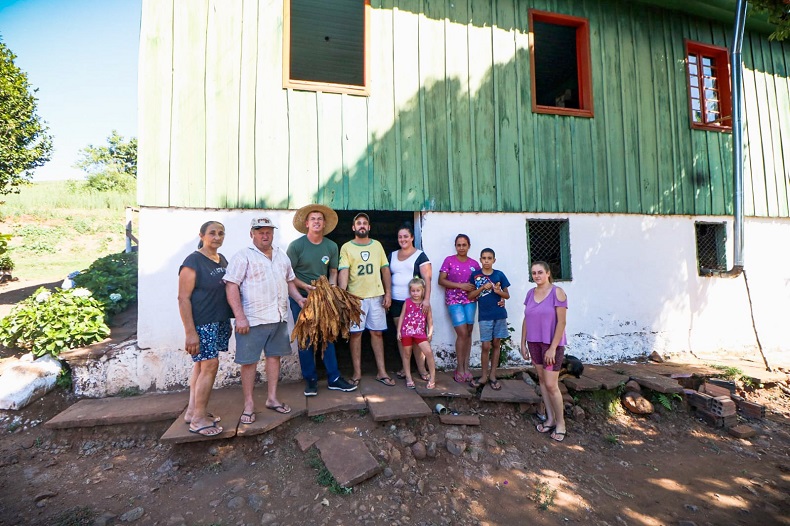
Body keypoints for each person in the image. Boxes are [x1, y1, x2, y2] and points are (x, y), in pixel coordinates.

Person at [224, 217, 305, 423]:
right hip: (252, 319)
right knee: (249, 362)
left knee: (274, 357)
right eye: (260, 232)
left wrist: (298, 298)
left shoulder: (281, 255)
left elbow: (289, 281)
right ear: (252, 234)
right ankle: (249, 404)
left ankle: (272, 398)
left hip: (278, 317)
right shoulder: (243, 256)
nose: (265, 235)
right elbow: (231, 285)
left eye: (269, 231)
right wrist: (240, 317)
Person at [287, 204, 358, 396]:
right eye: (313, 219)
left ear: (324, 223)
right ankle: (310, 380)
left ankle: (334, 378)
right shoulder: (296, 246)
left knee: (328, 335)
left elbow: (333, 271)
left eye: (320, 219)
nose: (316, 222)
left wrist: (331, 290)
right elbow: (288, 275)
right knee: (305, 338)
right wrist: (304, 288)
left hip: (323, 296)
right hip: (301, 297)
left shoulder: (331, 246)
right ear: (306, 223)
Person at [177, 221, 233, 436]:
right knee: (210, 365)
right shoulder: (193, 261)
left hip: (218, 320)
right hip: (202, 322)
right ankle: (199, 419)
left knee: (201, 366)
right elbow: (183, 298)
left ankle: (193, 411)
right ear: (201, 235)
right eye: (212, 233)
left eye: (221, 233)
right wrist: (190, 332)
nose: (217, 237)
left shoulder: (222, 259)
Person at [338, 212, 393, 386]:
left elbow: (385, 269)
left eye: (364, 223)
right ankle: (357, 373)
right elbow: (344, 271)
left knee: (377, 333)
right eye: (358, 223)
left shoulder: (377, 245)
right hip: (356, 298)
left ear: (369, 227)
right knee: (356, 334)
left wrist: (388, 293)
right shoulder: (347, 247)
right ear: (353, 227)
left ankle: (382, 372)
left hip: (376, 296)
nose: (362, 225)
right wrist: (343, 296)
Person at [520, 261, 568, 443]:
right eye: (534, 273)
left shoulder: (557, 292)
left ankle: (561, 423)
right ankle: (550, 418)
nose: (537, 276)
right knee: (541, 380)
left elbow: (562, 322)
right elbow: (526, 319)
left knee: (551, 384)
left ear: (548, 273)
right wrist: (523, 343)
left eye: (540, 272)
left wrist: (553, 348)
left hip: (551, 344)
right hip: (534, 342)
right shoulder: (530, 294)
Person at [389, 222, 431, 383]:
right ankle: (404, 367)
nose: (403, 239)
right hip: (397, 302)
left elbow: (427, 279)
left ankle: (421, 368)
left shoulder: (420, 256)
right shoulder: (392, 255)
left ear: (412, 237)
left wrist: (426, 300)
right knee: (402, 336)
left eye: (406, 236)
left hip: (415, 303)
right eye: (400, 237)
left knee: (417, 335)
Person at [438, 234, 480, 383]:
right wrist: (460, 286)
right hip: (454, 300)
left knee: (468, 332)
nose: (461, 247)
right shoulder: (449, 260)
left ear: (469, 246)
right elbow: (441, 280)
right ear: (455, 246)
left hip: (470, 300)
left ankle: (466, 367)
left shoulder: (474, 264)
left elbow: (480, 282)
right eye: (459, 245)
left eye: (464, 245)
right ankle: (459, 368)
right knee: (462, 332)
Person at [468, 248, 511, 390]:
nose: (486, 261)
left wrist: (498, 292)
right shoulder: (475, 275)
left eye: (489, 258)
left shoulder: (499, 275)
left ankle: (493, 376)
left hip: (499, 314)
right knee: (486, 346)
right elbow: (470, 296)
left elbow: (507, 295)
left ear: (494, 260)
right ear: (480, 260)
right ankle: (483, 376)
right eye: (484, 258)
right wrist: (482, 288)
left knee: (497, 343)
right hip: (484, 315)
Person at [396, 278, 436, 389]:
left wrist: (430, 332)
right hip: (407, 332)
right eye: (413, 291)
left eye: (418, 290)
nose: (415, 293)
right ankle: (408, 377)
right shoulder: (407, 302)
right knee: (407, 354)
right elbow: (402, 317)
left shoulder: (426, 305)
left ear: (423, 291)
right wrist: (399, 331)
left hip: (420, 333)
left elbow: (430, 319)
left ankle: (432, 378)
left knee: (428, 352)